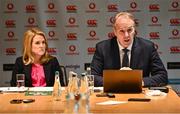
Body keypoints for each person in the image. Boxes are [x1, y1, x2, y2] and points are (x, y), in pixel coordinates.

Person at [91, 12, 168, 87]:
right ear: (115, 32)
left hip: (139, 95)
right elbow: (92, 77)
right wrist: (116, 82)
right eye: (122, 31)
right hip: (112, 95)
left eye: (129, 30)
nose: (126, 35)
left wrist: (138, 82)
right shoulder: (103, 48)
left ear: (134, 30)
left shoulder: (147, 47)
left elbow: (162, 76)